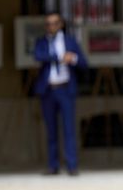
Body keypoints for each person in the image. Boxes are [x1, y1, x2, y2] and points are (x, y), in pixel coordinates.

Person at [33, 11, 88, 176]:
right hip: (48, 90)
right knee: (51, 130)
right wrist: (59, 57)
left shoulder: (70, 41)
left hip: (65, 89)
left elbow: (84, 63)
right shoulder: (42, 42)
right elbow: (38, 55)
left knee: (69, 128)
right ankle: (53, 165)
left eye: (54, 23)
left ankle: (72, 165)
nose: (51, 26)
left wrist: (73, 59)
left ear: (61, 24)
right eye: (48, 24)